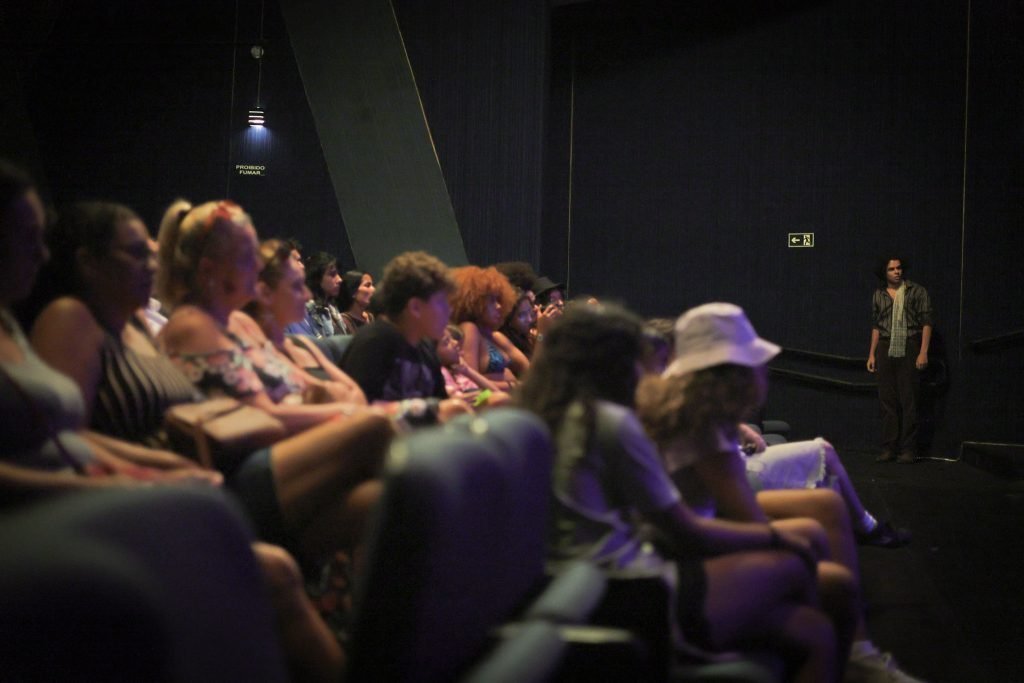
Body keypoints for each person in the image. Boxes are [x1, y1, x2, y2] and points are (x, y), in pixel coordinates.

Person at [517, 302, 854, 683]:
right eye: (639, 359)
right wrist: (776, 535)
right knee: (804, 564)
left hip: (592, 587)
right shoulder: (609, 421)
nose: (647, 374)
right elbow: (683, 529)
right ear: (614, 362)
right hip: (628, 592)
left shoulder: (548, 415)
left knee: (814, 630)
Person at [637, 302, 922, 682]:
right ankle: (856, 655)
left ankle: (856, 655)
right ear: (733, 373)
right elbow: (746, 521)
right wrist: (789, 542)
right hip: (673, 565)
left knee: (820, 515)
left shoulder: (683, 406)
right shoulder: (702, 424)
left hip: (668, 542)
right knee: (830, 577)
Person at [339, 251, 469, 423]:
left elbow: (440, 403)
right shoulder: (374, 342)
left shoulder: (425, 346)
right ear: (415, 307)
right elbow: (357, 413)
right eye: (441, 303)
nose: (449, 311)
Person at [867, 257, 933, 463]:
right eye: (891, 269)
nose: (896, 272)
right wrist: (871, 353)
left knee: (909, 400)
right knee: (887, 400)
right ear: (884, 273)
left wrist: (923, 351)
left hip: (909, 344)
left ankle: (908, 449)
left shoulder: (917, 291)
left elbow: (927, 322)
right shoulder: (879, 294)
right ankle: (889, 448)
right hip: (885, 347)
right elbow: (877, 325)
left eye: (899, 268)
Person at [449, 265, 529, 391]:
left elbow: (530, 370)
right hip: (490, 405)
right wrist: (514, 386)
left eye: (499, 299)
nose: (498, 306)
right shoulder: (469, 329)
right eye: (491, 300)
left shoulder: (495, 336)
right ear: (474, 302)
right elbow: (470, 383)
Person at [337, 269, 376, 334]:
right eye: (367, 285)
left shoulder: (370, 317)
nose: (373, 289)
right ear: (353, 292)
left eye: (372, 285)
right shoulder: (343, 322)